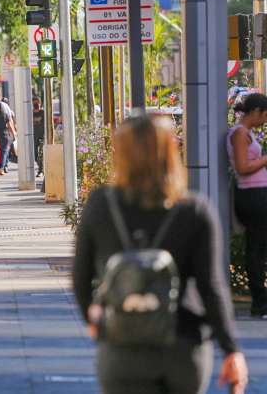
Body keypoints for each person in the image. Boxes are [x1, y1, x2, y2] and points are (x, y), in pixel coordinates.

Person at [73, 116, 248, 394]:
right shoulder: (194, 210)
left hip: (123, 345)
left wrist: (95, 321)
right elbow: (212, 287)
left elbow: (81, 279)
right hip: (183, 345)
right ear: (171, 151)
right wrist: (231, 350)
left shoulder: (101, 205)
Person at [228, 92, 267, 318]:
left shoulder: (245, 133)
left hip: (256, 194)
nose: (265, 120)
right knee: (256, 248)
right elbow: (242, 167)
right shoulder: (240, 134)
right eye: (264, 115)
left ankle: (260, 300)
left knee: (259, 247)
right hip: (252, 196)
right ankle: (259, 302)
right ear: (255, 112)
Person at [32, 97, 45, 177]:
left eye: (37, 103)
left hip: (42, 135)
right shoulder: (31, 113)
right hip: (34, 136)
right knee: (35, 155)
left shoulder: (43, 112)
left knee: (41, 153)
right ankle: (41, 168)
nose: (36, 105)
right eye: (34, 104)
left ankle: (40, 169)